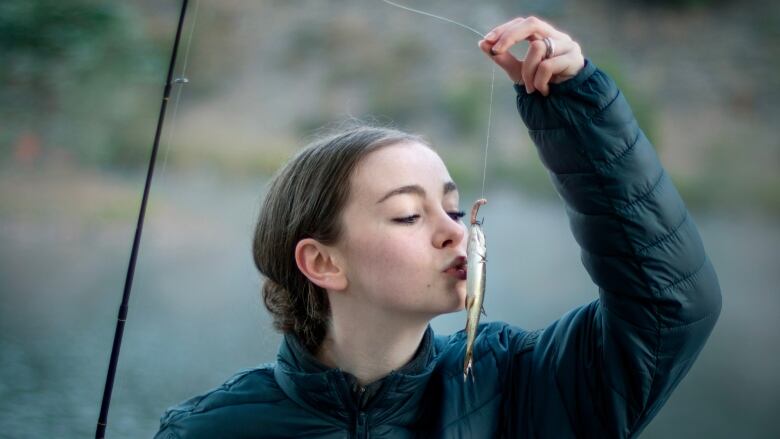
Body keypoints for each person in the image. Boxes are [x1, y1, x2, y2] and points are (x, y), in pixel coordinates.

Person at [154, 16, 721, 438]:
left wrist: (576, 107)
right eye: (407, 214)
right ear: (323, 262)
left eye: (452, 208)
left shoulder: (527, 388)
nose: (455, 232)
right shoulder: (203, 431)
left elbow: (670, 304)